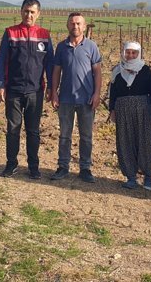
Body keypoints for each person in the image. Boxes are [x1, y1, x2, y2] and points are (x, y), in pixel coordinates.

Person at [0, 0, 54, 179]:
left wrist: (51, 87)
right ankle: (11, 164)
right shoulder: (11, 33)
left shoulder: (44, 34)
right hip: (13, 90)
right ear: (21, 12)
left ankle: (33, 166)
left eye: (32, 12)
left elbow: (50, 64)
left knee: (33, 131)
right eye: (26, 11)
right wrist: (0, 85)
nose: (29, 15)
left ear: (38, 14)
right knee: (13, 129)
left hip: (35, 91)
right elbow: (1, 61)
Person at [50, 13, 102, 183]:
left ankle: (85, 168)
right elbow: (56, 71)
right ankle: (63, 166)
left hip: (86, 99)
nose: (75, 26)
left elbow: (97, 72)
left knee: (86, 136)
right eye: (72, 23)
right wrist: (54, 92)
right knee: (65, 135)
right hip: (65, 99)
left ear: (84, 26)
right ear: (67, 25)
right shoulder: (61, 47)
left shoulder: (91, 46)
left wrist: (96, 94)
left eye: (79, 23)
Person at [109, 41, 151, 191]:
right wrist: (112, 110)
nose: (130, 56)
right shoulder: (117, 70)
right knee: (125, 141)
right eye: (128, 52)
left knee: (146, 140)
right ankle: (130, 177)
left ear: (139, 54)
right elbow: (113, 93)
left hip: (144, 109)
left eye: (134, 53)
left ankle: (148, 177)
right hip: (122, 109)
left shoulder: (145, 70)